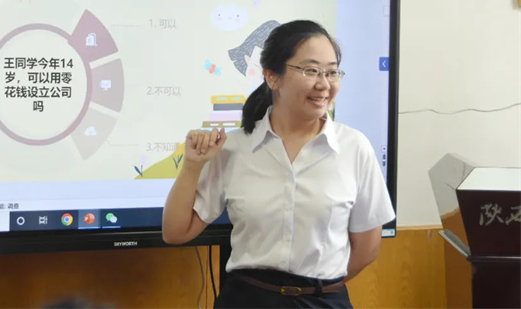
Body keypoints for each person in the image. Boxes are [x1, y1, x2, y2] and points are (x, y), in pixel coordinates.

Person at [162, 20, 395, 308]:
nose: (324, 84)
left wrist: (316, 287)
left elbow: (368, 248)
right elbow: (175, 232)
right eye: (311, 70)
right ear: (272, 77)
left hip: (323, 301)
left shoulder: (354, 147)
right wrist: (192, 166)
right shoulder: (234, 147)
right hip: (247, 300)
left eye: (332, 72)